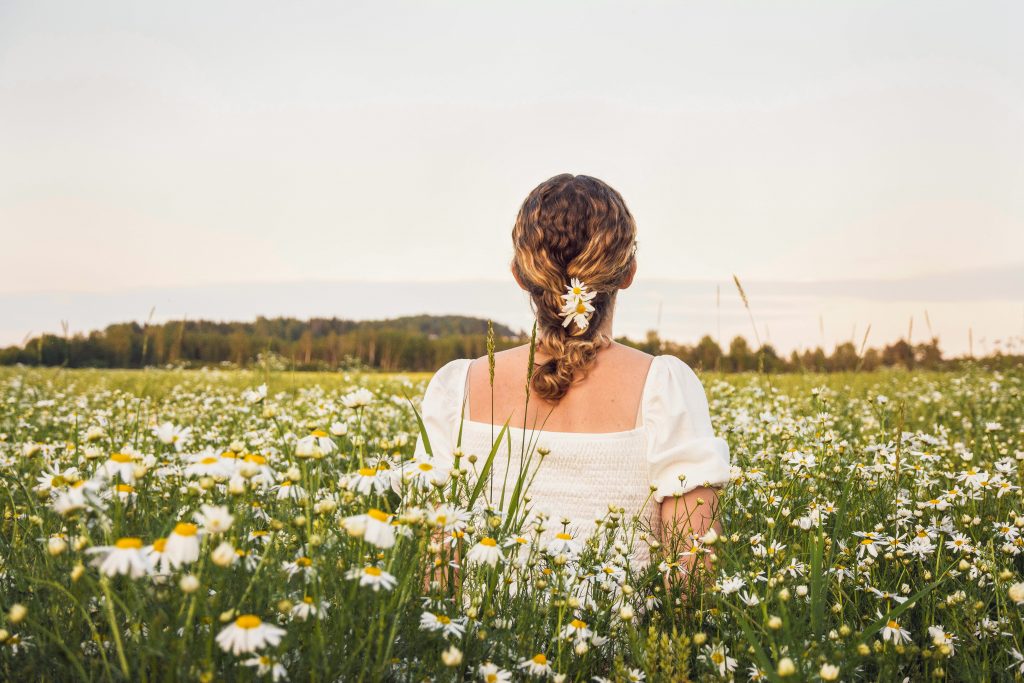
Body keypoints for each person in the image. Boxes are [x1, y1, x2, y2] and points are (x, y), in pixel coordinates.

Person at [408, 173, 732, 576]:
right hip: (625, 640)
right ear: (628, 271)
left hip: (478, 638)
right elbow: (692, 576)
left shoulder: (456, 389)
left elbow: (436, 575)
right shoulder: (664, 387)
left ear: (519, 274)